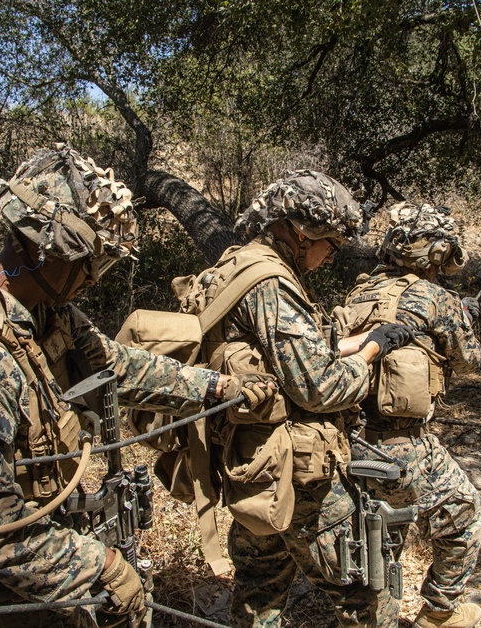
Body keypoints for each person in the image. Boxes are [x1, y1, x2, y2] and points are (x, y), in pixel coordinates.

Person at [0, 145, 276, 628]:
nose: (92, 279)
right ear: (47, 248)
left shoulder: (47, 313)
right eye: (90, 262)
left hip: (44, 528)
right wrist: (102, 568)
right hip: (4, 577)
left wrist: (218, 387)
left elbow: (120, 367)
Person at [182, 170, 413, 628]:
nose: (331, 256)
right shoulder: (271, 281)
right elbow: (320, 386)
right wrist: (369, 355)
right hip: (300, 472)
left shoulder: (236, 264)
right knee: (368, 589)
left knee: (260, 591)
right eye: (332, 242)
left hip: (253, 463)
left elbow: (278, 354)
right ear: (303, 232)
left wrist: (350, 341)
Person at [338, 202, 481, 628]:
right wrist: (466, 318)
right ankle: (440, 613)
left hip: (349, 440)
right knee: (466, 513)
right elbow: (469, 361)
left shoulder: (360, 291)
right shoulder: (436, 297)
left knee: (378, 544)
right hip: (402, 447)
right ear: (437, 252)